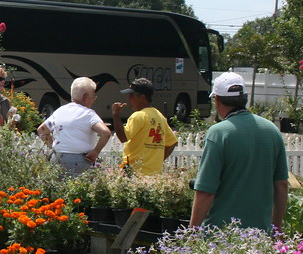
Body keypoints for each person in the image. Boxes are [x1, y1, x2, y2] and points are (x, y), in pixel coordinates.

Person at [189, 72, 289, 231]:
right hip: (260, 233)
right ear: (245, 98)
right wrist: (277, 228)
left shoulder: (219, 133)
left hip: (222, 234)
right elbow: (282, 184)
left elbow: (206, 191)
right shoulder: (271, 130)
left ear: (217, 100)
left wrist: (192, 232)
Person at [37, 77, 111, 176]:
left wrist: (53, 146)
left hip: (58, 159)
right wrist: (95, 152)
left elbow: (41, 130)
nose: (93, 100)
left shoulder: (60, 111)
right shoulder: (88, 114)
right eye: (93, 97)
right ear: (85, 97)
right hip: (80, 161)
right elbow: (105, 133)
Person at [112, 78, 177, 175]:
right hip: (155, 173)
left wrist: (115, 114)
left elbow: (123, 137)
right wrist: (157, 160)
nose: (128, 98)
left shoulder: (138, 116)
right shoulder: (159, 116)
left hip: (135, 172)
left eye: (131, 95)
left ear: (142, 97)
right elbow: (172, 143)